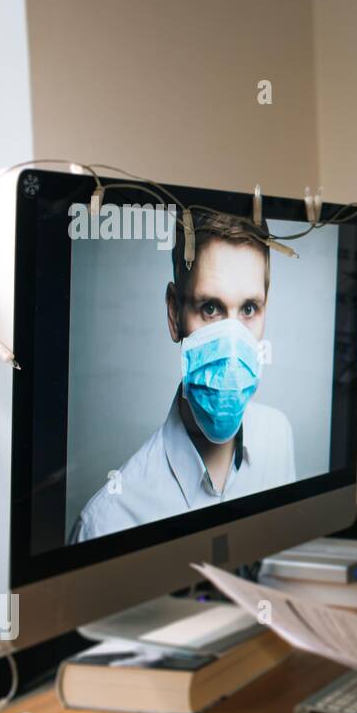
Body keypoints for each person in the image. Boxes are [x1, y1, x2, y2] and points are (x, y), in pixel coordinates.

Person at [68, 211, 296, 543]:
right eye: (210, 308)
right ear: (174, 314)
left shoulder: (279, 437)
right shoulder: (107, 523)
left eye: (249, 309)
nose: (232, 342)